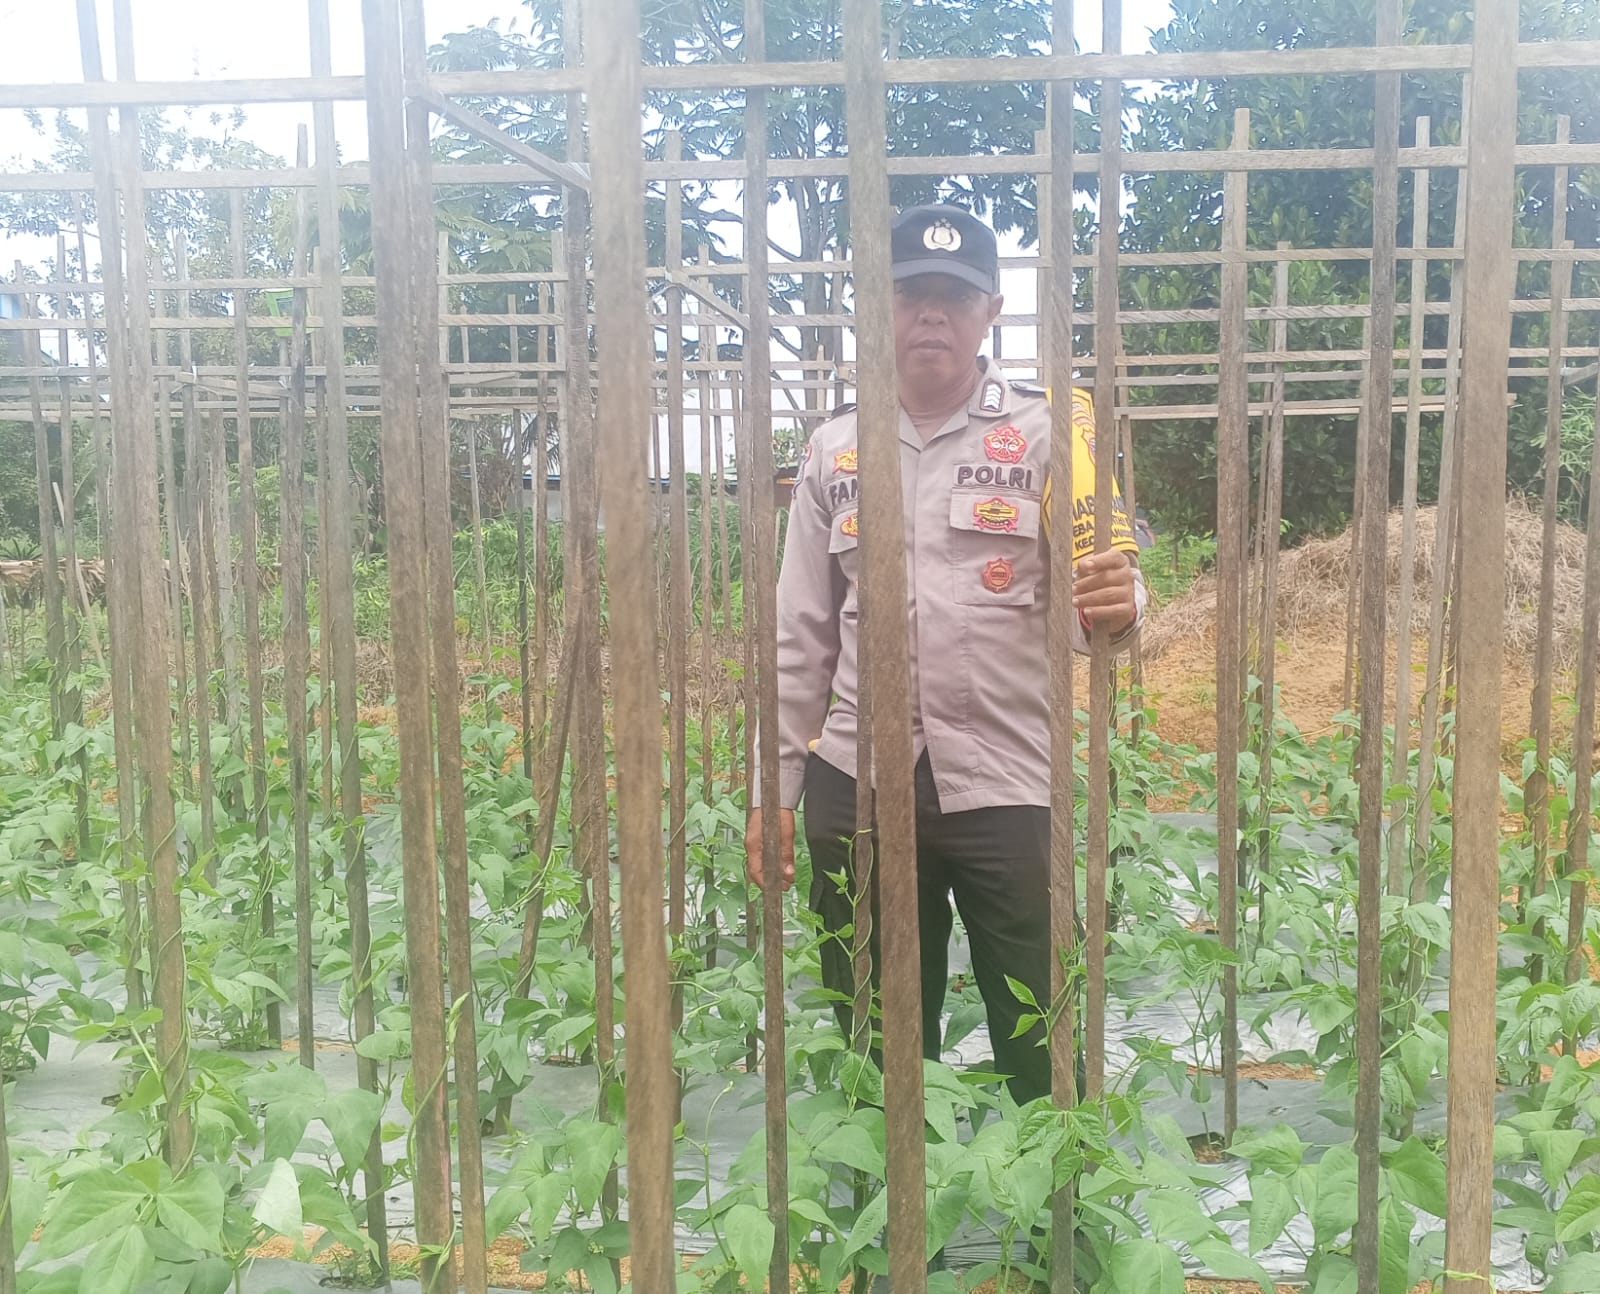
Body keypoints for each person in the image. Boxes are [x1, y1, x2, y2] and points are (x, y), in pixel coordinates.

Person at [745, 203, 1145, 1107]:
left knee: (1040, 1033)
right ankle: (884, 1196)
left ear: (990, 312)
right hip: (859, 777)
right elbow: (801, 632)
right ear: (877, 308)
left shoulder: (1050, 435)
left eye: (955, 297)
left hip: (1006, 774)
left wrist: (1122, 608)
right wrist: (775, 792)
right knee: (876, 1037)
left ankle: (1056, 1197)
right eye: (910, 293)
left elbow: (1099, 602)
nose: (932, 313)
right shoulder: (835, 450)